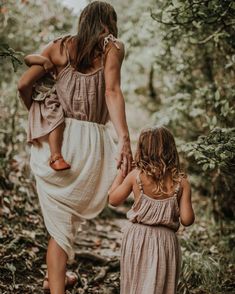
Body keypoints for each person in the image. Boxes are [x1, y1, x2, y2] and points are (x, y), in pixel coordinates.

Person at [18, 1, 133, 293]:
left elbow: (23, 86)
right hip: (89, 146)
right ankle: (56, 283)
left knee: (59, 224)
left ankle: (54, 280)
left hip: (54, 140)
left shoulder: (58, 47)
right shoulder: (112, 48)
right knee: (65, 225)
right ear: (109, 23)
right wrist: (124, 140)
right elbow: (111, 91)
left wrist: (38, 113)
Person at [109, 126, 195, 294]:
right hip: (165, 241)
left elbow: (113, 200)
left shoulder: (136, 175)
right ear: (171, 150)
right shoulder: (181, 181)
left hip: (137, 238)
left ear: (141, 149)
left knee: (136, 283)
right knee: (160, 286)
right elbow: (187, 220)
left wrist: (121, 173)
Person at [24, 54, 70, 171]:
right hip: (44, 97)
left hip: (49, 96)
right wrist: (44, 61)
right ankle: (56, 157)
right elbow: (27, 59)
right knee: (57, 121)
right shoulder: (49, 61)